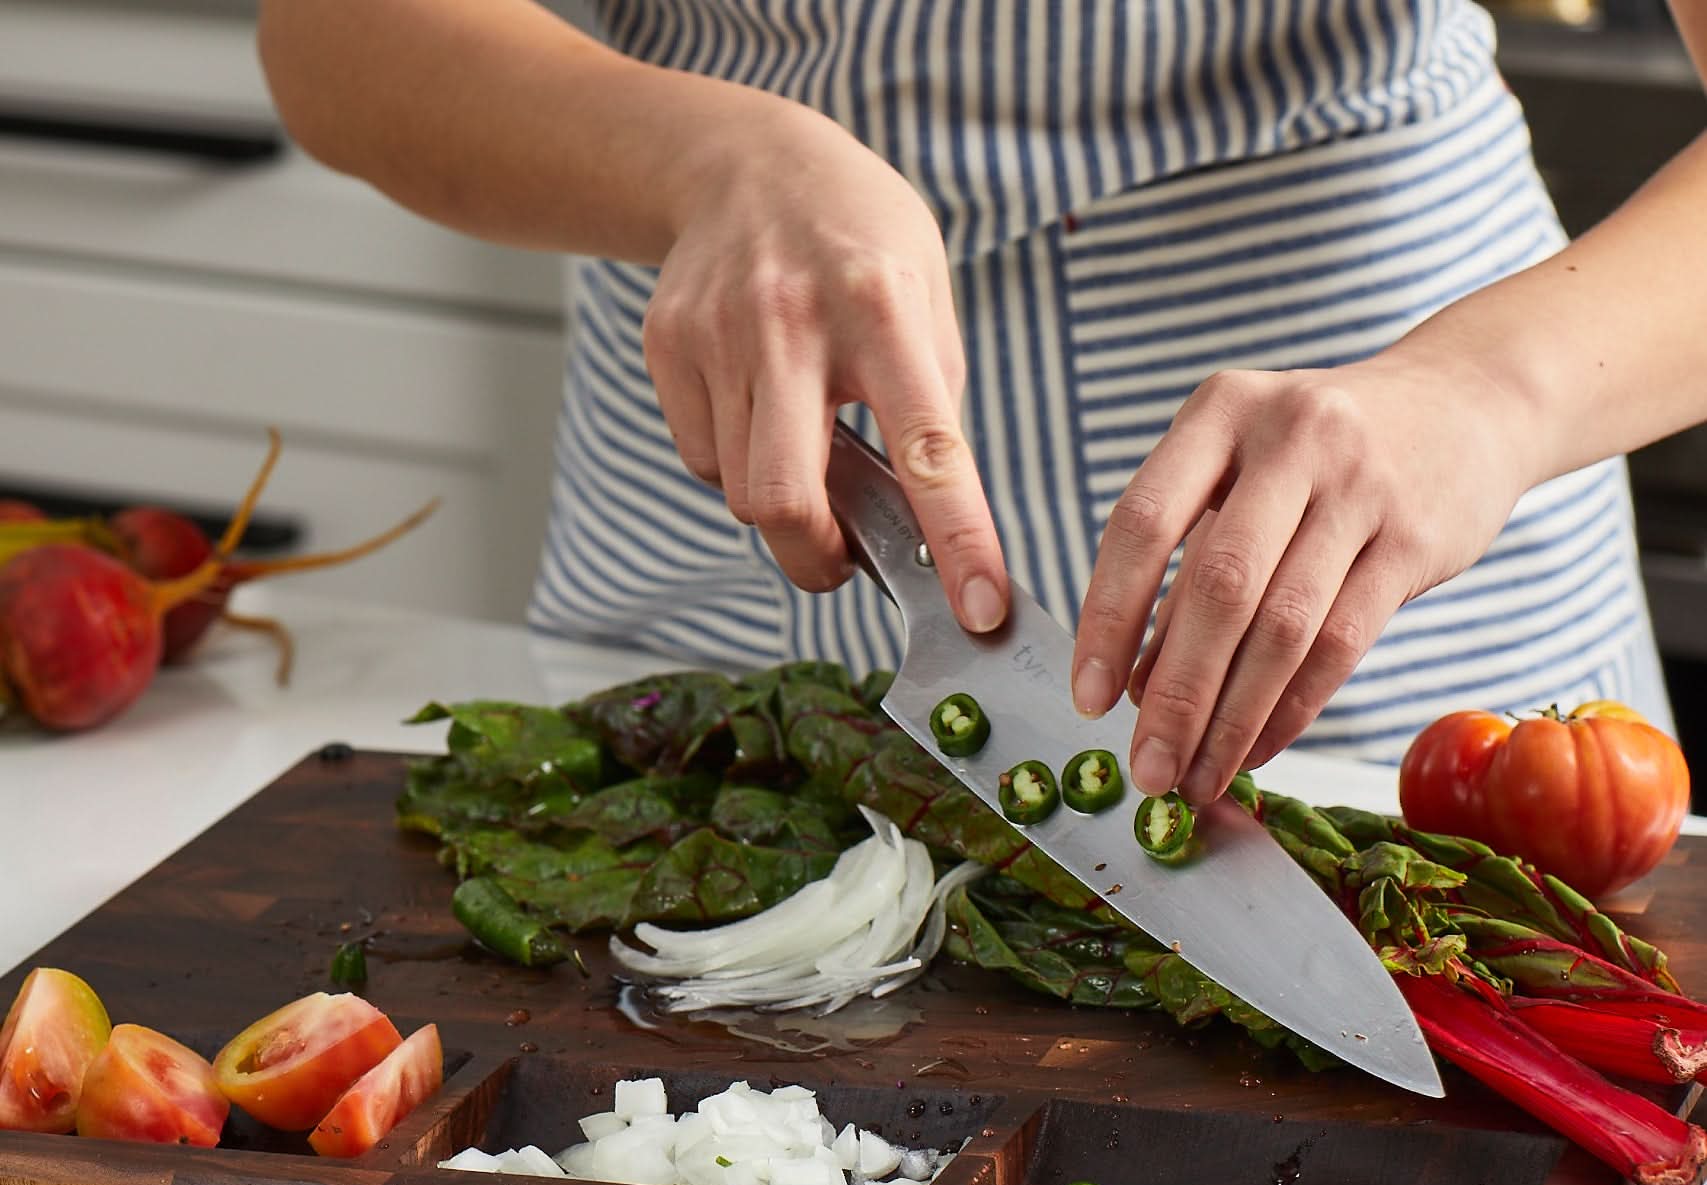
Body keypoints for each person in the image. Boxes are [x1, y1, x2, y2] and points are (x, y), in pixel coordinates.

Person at [257, 0, 1707, 803]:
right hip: (746, 462)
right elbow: (336, 36)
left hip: (1369, 501)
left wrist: (1482, 393)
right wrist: (708, 163)